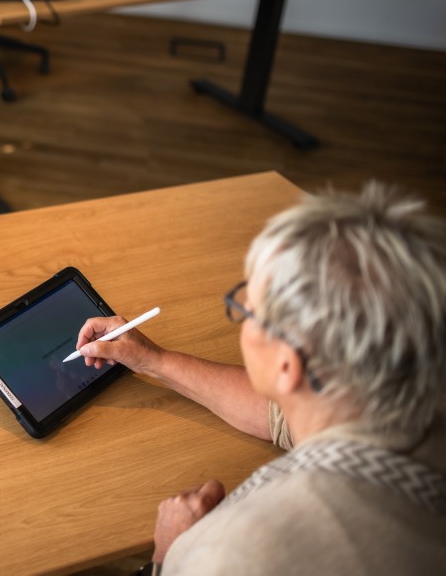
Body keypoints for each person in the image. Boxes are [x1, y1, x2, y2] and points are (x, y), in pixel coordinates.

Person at [73, 183, 446, 575]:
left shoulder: (236, 555)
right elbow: (286, 412)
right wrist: (153, 360)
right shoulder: (406, 393)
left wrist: (170, 555)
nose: (241, 314)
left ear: (288, 366)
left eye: (247, 310)